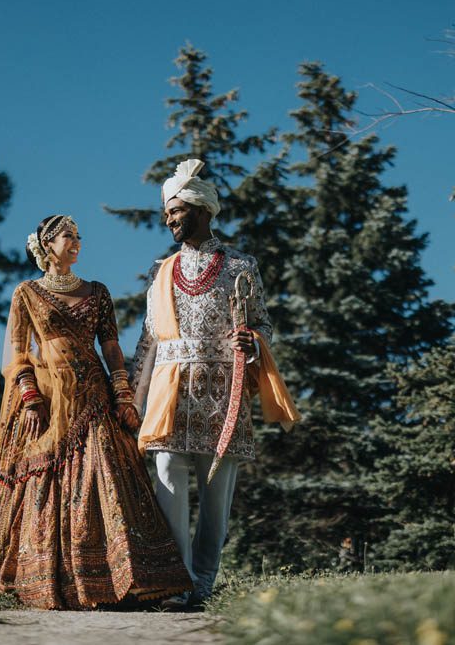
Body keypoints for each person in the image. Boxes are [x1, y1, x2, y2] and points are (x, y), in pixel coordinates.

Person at [0, 215, 191, 610]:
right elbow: (15, 354)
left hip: (93, 396)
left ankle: (125, 582)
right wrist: (30, 398)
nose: (77, 242)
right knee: (41, 484)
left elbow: (112, 346)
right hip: (46, 402)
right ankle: (41, 580)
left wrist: (122, 392)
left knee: (106, 477)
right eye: (69, 236)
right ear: (48, 244)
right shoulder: (26, 293)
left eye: (79, 236)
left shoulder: (97, 292)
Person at [131, 160, 300, 610]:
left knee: (215, 496)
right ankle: (178, 581)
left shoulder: (241, 266)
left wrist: (254, 341)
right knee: (167, 478)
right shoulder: (161, 271)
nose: (169, 219)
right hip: (170, 394)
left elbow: (263, 323)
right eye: (167, 212)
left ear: (203, 210)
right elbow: (148, 338)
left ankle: (203, 582)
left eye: (177, 210)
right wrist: (131, 396)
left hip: (223, 396)